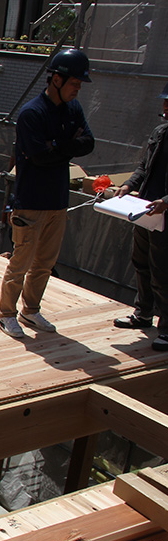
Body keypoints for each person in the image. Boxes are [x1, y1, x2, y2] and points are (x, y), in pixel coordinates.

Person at [0, 48, 95, 338]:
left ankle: (31, 309)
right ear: (56, 80)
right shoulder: (32, 113)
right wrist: (66, 145)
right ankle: (6, 314)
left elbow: (88, 142)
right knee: (21, 261)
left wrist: (57, 145)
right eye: (74, 84)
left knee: (46, 262)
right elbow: (39, 156)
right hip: (31, 201)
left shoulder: (73, 109)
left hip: (57, 200)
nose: (77, 90)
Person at [110, 81, 168, 351]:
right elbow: (144, 167)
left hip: (164, 217)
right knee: (141, 263)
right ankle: (142, 313)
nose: (165, 106)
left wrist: (165, 202)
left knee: (162, 271)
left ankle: (166, 327)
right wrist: (129, 186)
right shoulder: (160, 132)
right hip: (145, 210)